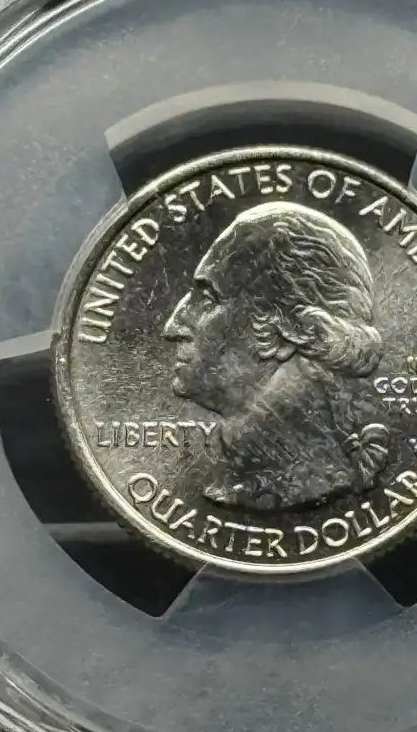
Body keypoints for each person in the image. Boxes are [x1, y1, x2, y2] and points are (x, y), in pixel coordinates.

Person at [162, 201, 391, 512]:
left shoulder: (306, 482)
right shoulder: (247, 477)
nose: (172, 327)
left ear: (284, 329)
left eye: (207, 299)